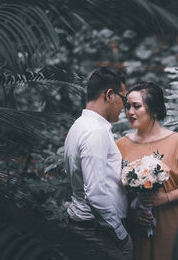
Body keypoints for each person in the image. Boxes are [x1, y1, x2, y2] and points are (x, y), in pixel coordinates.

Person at [116, 82, 178, 260]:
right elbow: (117, 192)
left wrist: (166, 197)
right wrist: (132, 214)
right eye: (128, 107)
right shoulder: (120, 145)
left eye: (136, 106)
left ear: (155, 110)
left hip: (175, 225)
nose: (130, 112)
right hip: (139, 229)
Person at [64, 67, 132, 260]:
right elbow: (95, 193)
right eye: (123, 99)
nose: (124, 107)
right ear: (109, 95)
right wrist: (121, 235)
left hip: (86, 226)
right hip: (98, 232)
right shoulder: (95, 132)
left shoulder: (79, 126)